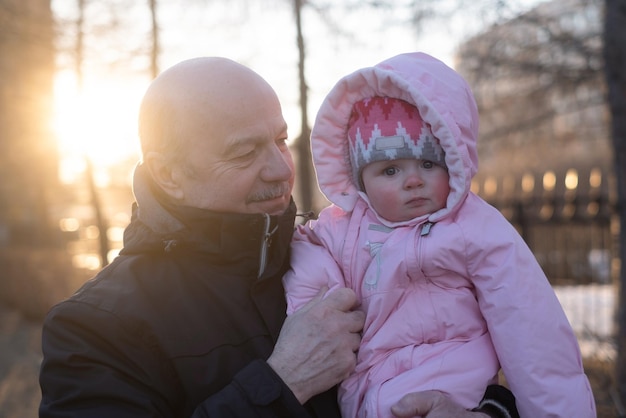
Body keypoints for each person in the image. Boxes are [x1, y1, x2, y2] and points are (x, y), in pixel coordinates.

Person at [39, 56, 517, 418]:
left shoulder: (348, 246)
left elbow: (502, 353)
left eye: (280, 139)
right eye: (244, 153)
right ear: (170, 174)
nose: (280, 169)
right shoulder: (93, 329)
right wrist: (281, 381)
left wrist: (490, 410)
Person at [283, 52, 596, 418]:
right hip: (365, 394)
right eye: (390, 170)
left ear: (453, 163)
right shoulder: (342, 228)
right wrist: (312, 307)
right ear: (360, 179)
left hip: (452, 390)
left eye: (429, 164)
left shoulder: (476, 229)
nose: (413, 180)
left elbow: (532, 332)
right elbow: (307, 251)